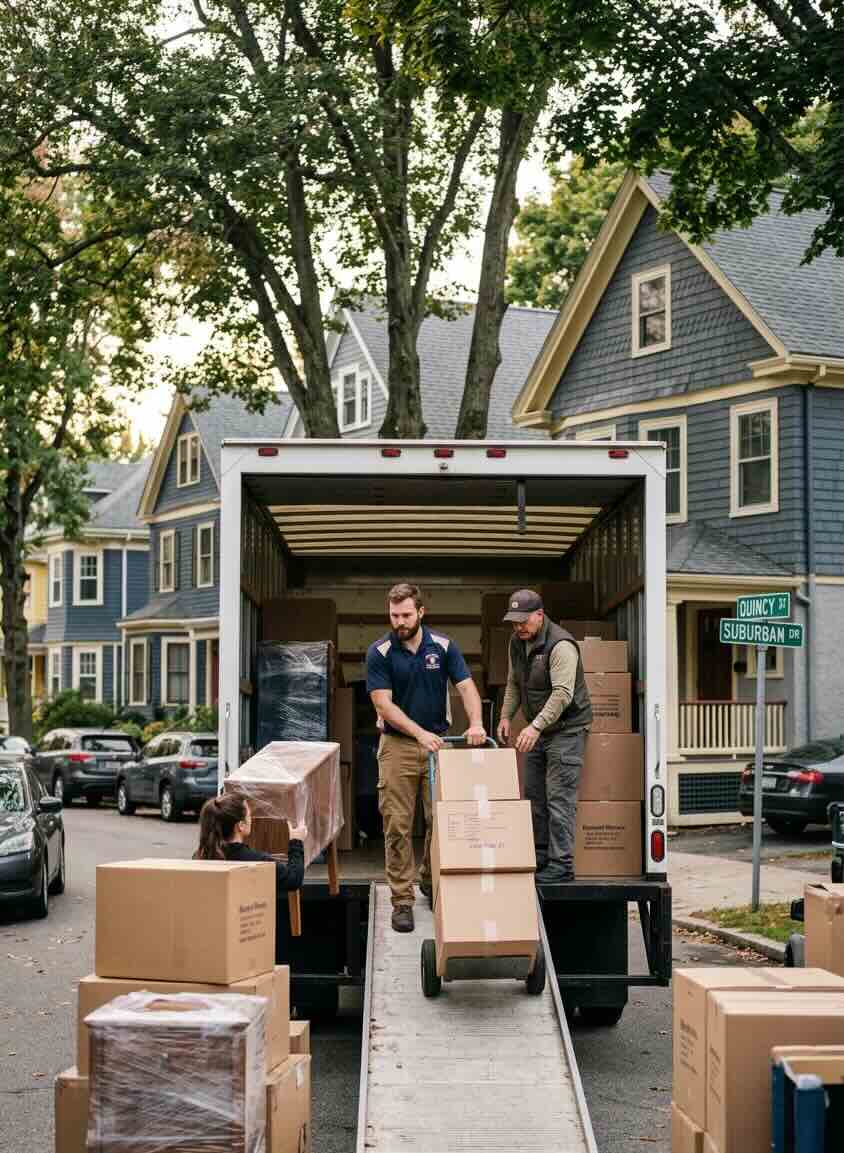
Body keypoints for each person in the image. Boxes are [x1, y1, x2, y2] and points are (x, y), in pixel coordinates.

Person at [366, 581, 486, 932]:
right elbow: (382, 704)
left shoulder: (444, 647)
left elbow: (466, 687)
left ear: (421, 612)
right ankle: (402, 900)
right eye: (394, 615)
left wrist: (476, 722)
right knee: (397, 825)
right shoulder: (381, 651)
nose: (400, 622)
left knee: (441, 821)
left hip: (439, 745)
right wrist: (418, 734)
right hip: (398, 748)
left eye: (406, 615)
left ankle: (431, 881)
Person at [496, 589, 592, 884]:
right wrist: (505, 716)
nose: (518, 627)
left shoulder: (561, 645)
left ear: (540, 615)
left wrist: (534, 726)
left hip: (566, 729)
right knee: (535, 795)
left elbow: (562, 694)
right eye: (514, 622)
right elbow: (514, 683)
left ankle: (562, 865)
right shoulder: (516, 642)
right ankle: (539, 857)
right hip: (539, 729)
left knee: (558, 798)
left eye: (523, 621)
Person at [195, 794, 307, 961]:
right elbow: (293, 879)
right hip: (248, 938)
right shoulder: (257, 861)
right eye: (249, 815)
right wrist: (296, 841)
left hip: (212, 938)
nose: (252, 819)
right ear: (240, 826)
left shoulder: (200, 857)